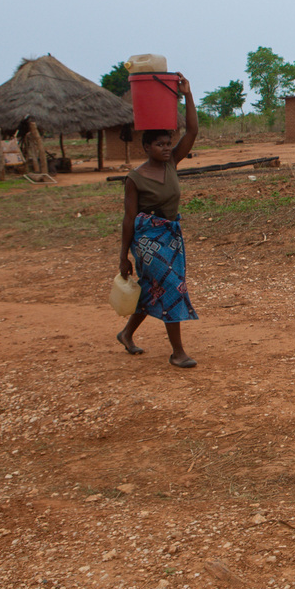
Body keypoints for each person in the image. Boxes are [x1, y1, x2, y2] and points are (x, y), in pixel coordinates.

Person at [117, 73, 200, 368]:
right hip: (148, 240)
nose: (166, 148)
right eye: (159, 144)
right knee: (171, 287)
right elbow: (128, 218)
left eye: (168, 143)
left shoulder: (172, 163)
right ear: (146, 147)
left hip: (171, 235)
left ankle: (126, 333)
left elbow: (192, 130)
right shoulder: (135, 178)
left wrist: (187, 94)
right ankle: (178, 352)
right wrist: (123, 256)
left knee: (154, 287)